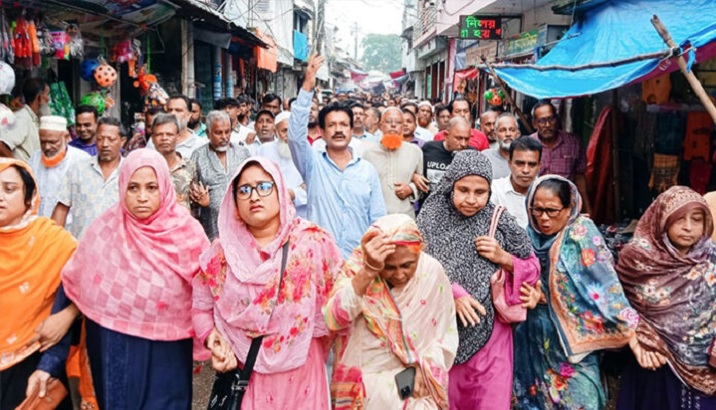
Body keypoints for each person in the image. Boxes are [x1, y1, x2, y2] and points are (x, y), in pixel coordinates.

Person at [59, 149, 209, 408]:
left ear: (165, 186)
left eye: (152, 187)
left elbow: (209, 288)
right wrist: (67, 314)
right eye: (133, 188)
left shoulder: (187, 233)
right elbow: (79, 281)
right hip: (115, 346)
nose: (142, 197)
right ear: (122, 188)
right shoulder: (105, 231)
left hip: (169, 349)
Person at [192, 157, 343, 409]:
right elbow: (199, 306)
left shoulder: (313, 244)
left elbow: (341, 303)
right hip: (247, 377)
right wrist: (212, 338)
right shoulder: (221, 254)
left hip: (303, 375)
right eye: (244, 190)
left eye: (264, 187)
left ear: (281, 191)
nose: (254, 196)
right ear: (234, 200)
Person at [416, 150, 540, 409]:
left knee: (489, 400)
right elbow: (415, 269)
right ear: (451, 186)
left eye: (480, 192)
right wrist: (450, 293)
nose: (471, 199)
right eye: (463, 190)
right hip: (440, 333)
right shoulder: (429, 218)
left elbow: (532, 265)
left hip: (491, 335)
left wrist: (503, 257)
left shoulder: (499, 219)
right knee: (447, 400)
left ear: (489, 191)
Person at [512, 175, 638, 409]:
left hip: (571, 338)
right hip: (532, 334)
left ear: (570, 207)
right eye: (537, 210)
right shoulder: (525, 237)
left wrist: (546, 297)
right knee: (535, 397)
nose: (544, 218)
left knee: (582, 398)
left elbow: (602, 288)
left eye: (552, 210)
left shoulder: (582, 236)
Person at [324, 214, 458, 409]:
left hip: (415, 392)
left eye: (407, 265)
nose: (399, 274)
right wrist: (369, 271)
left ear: (420, 252)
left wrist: (425, 366)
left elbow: (446, 335)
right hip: (366, 394)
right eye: (389, 267)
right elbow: (334, 319)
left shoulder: (431, 273)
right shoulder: (359, 270)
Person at [617, 186, 716, 409]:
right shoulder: (637, 259)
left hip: (703, 362)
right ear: (661, 219)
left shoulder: (712, 258)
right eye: (679, 219)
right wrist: (640, 335)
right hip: (652, 358)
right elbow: (615, 303)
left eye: (697, 219)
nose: (688, 227)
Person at [290, 55, 386, 258]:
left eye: (344, 125)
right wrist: (308, 84)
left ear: (352, 130)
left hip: (358, 263)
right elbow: (295, 136)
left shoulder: (367, 170)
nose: (338, 130)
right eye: (332, 125)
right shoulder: (312, 164)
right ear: (321, 132)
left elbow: (377, 218)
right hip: (319, 260)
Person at [0, 158, 77, 409]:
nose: (0, 196)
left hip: (34, 360)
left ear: (28, 196)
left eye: (9, 189)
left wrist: (67, 314)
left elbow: (93, 282)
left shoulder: (52, 241)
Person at [52, 117, 126, 239]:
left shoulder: (130, 172)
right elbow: (61, 208)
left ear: (122, 141)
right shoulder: (78, 169)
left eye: (111, 139)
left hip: (117, 250)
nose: (105, 144)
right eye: (100, 139)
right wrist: (52, 242)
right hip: (81, 248)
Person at [191, 110, 250, 240]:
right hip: (211, 227)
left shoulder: (242, 153)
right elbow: (193, 193)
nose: (224, 137)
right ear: (208, 133)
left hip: (242, 225)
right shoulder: (198, 156)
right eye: (218, 133)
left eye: (227, 132)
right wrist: (200, 201)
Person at [530, 100, 591, 214]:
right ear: (534, 124)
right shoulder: (528, 145)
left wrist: (587, 210)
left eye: (551, 119)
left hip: (567, 206)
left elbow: (580, 178)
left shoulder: (573, 143)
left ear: (557, 119)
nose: (547, 125)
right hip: (539, 207)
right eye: (542, 121)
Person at [362, 108, 423, 218]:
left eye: (398, 122)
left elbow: (423, 186)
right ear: (381, 126)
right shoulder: (368, 154)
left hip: (405, 219)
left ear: (402, 126)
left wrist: (411, 189)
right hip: (377, 220)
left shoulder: (415, 152)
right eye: (389, 121)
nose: (393, 125)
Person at [29, 116, 90, 220]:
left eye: (53, 142)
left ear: (66, 137)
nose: (47, 147)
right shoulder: (34, 159)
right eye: (43, 142)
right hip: (39, 226)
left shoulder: (82, 160)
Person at [257, 111, 308, 218]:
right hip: (271, 210)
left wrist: (294, 193)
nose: (289, 135)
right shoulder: (264, 149)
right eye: (284, 131)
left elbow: (312, 188)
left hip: (299, 213)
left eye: (292, 130)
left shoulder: (306, 152)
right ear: (275, 132)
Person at [491, 136, 542, 229]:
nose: (526, 170)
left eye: (532, 164)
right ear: (510, 163)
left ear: (539, 166)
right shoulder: (495, 190)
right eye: (520, 163)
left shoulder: (547, 193)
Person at [417, 116, 472, 200]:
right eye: (459, 138)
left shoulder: (472, 155)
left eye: (467, 139)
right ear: (446, 135)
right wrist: (415, 176)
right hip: (429, 205)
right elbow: (416, 170)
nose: (463, 144)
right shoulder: (429, 148)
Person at [151, 113, 197, 209]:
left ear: (177, 137)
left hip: (184, 222)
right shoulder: (145, 167)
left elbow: (195, 202)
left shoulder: (189, 166)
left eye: (169, 134)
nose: (164, 138)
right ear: (153, 138)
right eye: (159, 134)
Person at [0, 78, 49, 162]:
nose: (48, 99)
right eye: (47, 95)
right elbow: (1, 145)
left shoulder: (33, 119)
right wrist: (19, 168)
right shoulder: (22, 118)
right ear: (40, 97)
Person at [482, 113, 521, 180]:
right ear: (495, 135)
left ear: (518, 134)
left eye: (512, 130)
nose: (508, 134)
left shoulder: (526, 158)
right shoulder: (485, 157)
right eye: (503, 130)